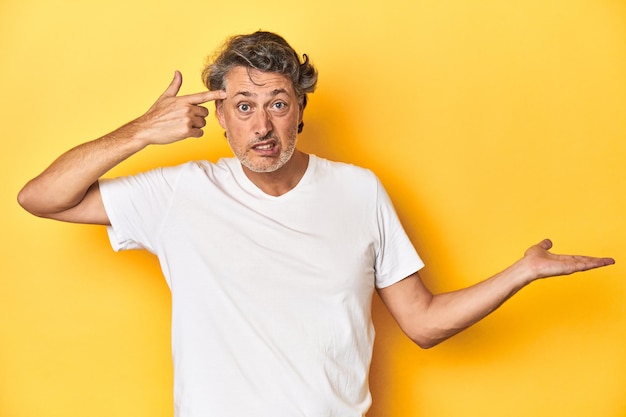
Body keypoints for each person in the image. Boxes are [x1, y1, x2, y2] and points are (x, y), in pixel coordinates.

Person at [17, 31, 614, 417]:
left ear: (301, 109)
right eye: (243, 106)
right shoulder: (182, 193)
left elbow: (424, 324)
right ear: (219, 116)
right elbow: (41, 197)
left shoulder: (359, 191)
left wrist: (521, 272)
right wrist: (141, 131)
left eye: (277, 102)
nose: (261, 126)